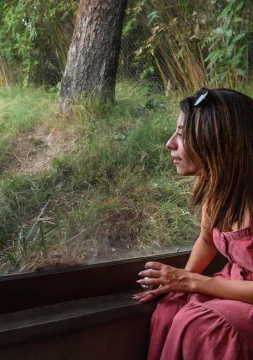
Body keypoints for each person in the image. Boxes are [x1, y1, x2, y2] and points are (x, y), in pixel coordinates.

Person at [133, 88, 253, 360]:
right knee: (169, 310)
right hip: (234, 283)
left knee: (205, 327)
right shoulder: (218, 186)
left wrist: (191, 281)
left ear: (218, 140)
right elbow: (208, 240)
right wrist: (177, 283)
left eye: (182, 133)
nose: (170, 143)